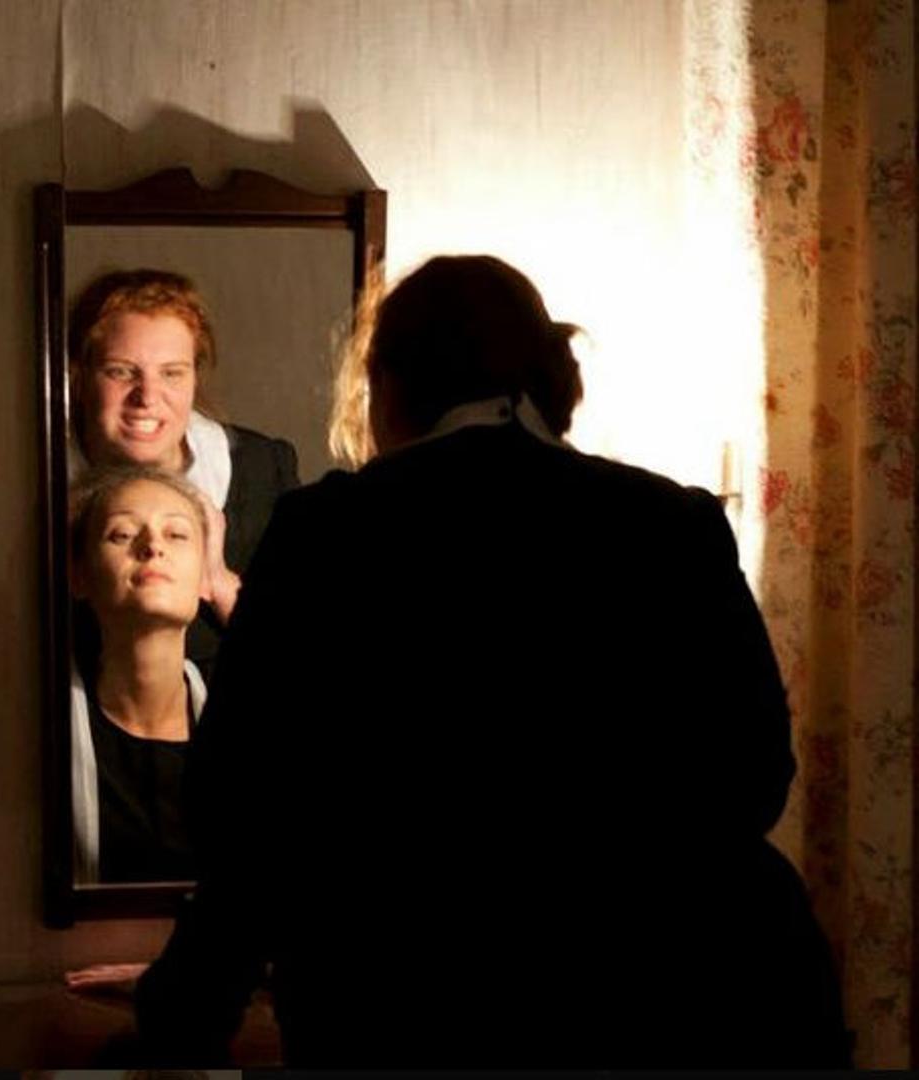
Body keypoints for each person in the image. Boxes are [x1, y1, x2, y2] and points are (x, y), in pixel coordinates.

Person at [132, 255, 849, 1067]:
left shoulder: (329, 533)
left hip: (402, 1004)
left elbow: (248, 807)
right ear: (550, 372)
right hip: (671, 1001)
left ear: (386, 384)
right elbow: (753, 776)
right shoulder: (673, 524)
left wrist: (187, 1006)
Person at [68, 269, 300, 680]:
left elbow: (308, 655)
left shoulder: (262, 472)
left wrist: (221, 584)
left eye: (171, 373)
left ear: (194, 377)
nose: (147, 397)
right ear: (80, 376)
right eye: (121, 371)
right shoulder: (28, 479)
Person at [69, 464, 213, 884]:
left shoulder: (253, 727)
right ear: (79, 575)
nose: (152, 547)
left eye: (177, 534)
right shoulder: (36, 732)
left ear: (205, 576)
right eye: (122, 534)